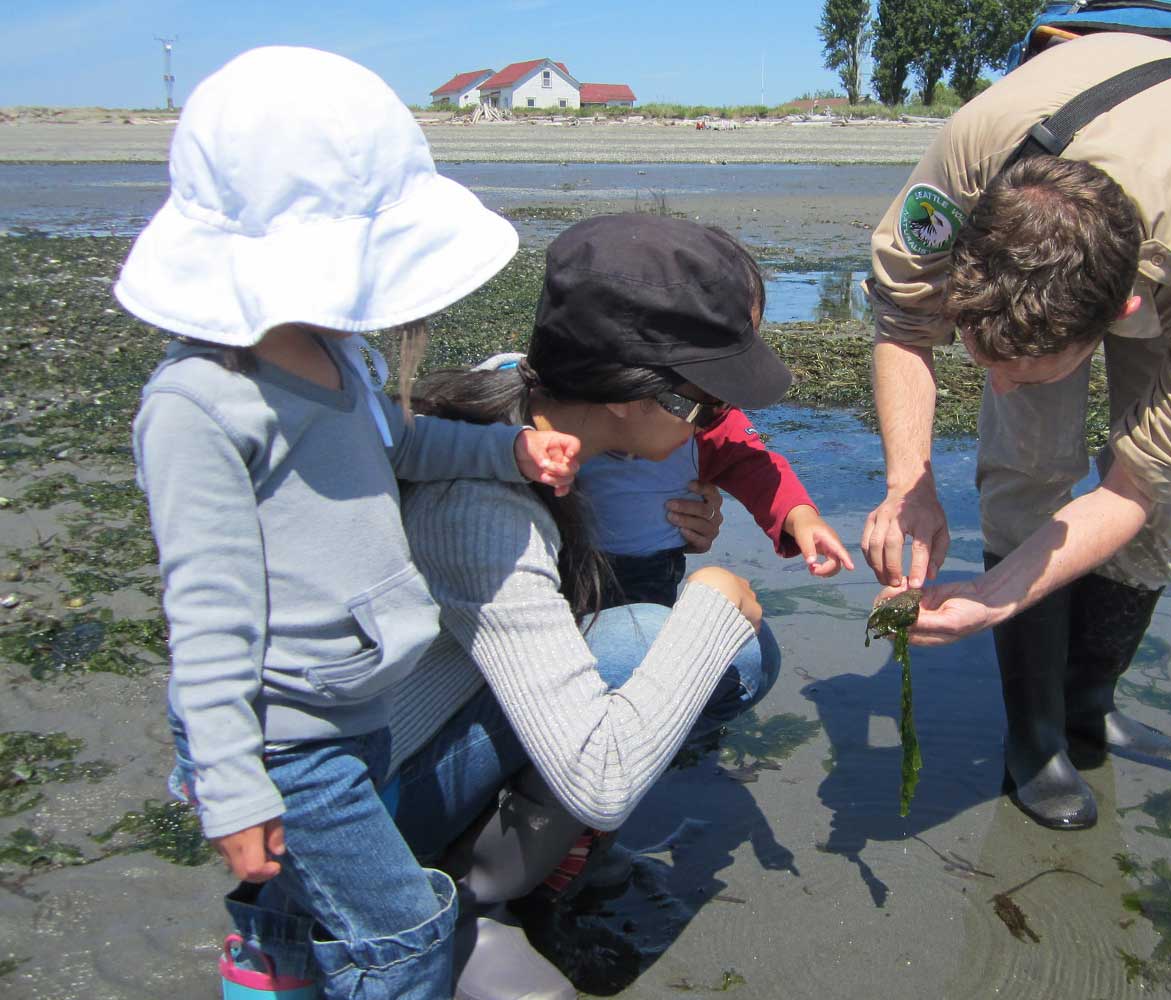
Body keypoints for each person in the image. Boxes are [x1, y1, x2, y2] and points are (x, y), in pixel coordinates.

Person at [123, 47, 581, 1000]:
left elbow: (401, 449)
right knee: (407, 928)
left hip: (362, 700)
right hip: (287, 734)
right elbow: (204, 615)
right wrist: (231, 781)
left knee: (306, 907)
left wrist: (508, 454)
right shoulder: (203, 404)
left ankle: (268, 975)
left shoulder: (340, 354)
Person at [861, 32, 1171, 830]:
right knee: (1023, 465)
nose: (995, 384)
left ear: (1118, 319)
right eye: (984, 357)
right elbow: (902, 318)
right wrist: (907, 482)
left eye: (1022, 366)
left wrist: (989, 599)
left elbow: (1139, 479)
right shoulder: (967, 167)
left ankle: (1092, 700)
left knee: (1164, 498)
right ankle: (1037, 737)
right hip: (1052, 137)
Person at [381, 215, 788, 1000]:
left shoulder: (534, 422)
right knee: (722, 647)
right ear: (643, 396)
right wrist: (707, 599)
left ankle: (510, 862)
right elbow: (600, 778)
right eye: (708, 405)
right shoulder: (482, 507)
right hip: (375, 795)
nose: (716, 424)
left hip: (448, 720)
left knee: (702, 650)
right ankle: (461, 884)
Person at [575, 227, 854, 607]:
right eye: (710, 378)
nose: (721, 395)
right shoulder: (548, 428)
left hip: (648, 582)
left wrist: (801, 518)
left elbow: (752, 465)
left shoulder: (703, 416)